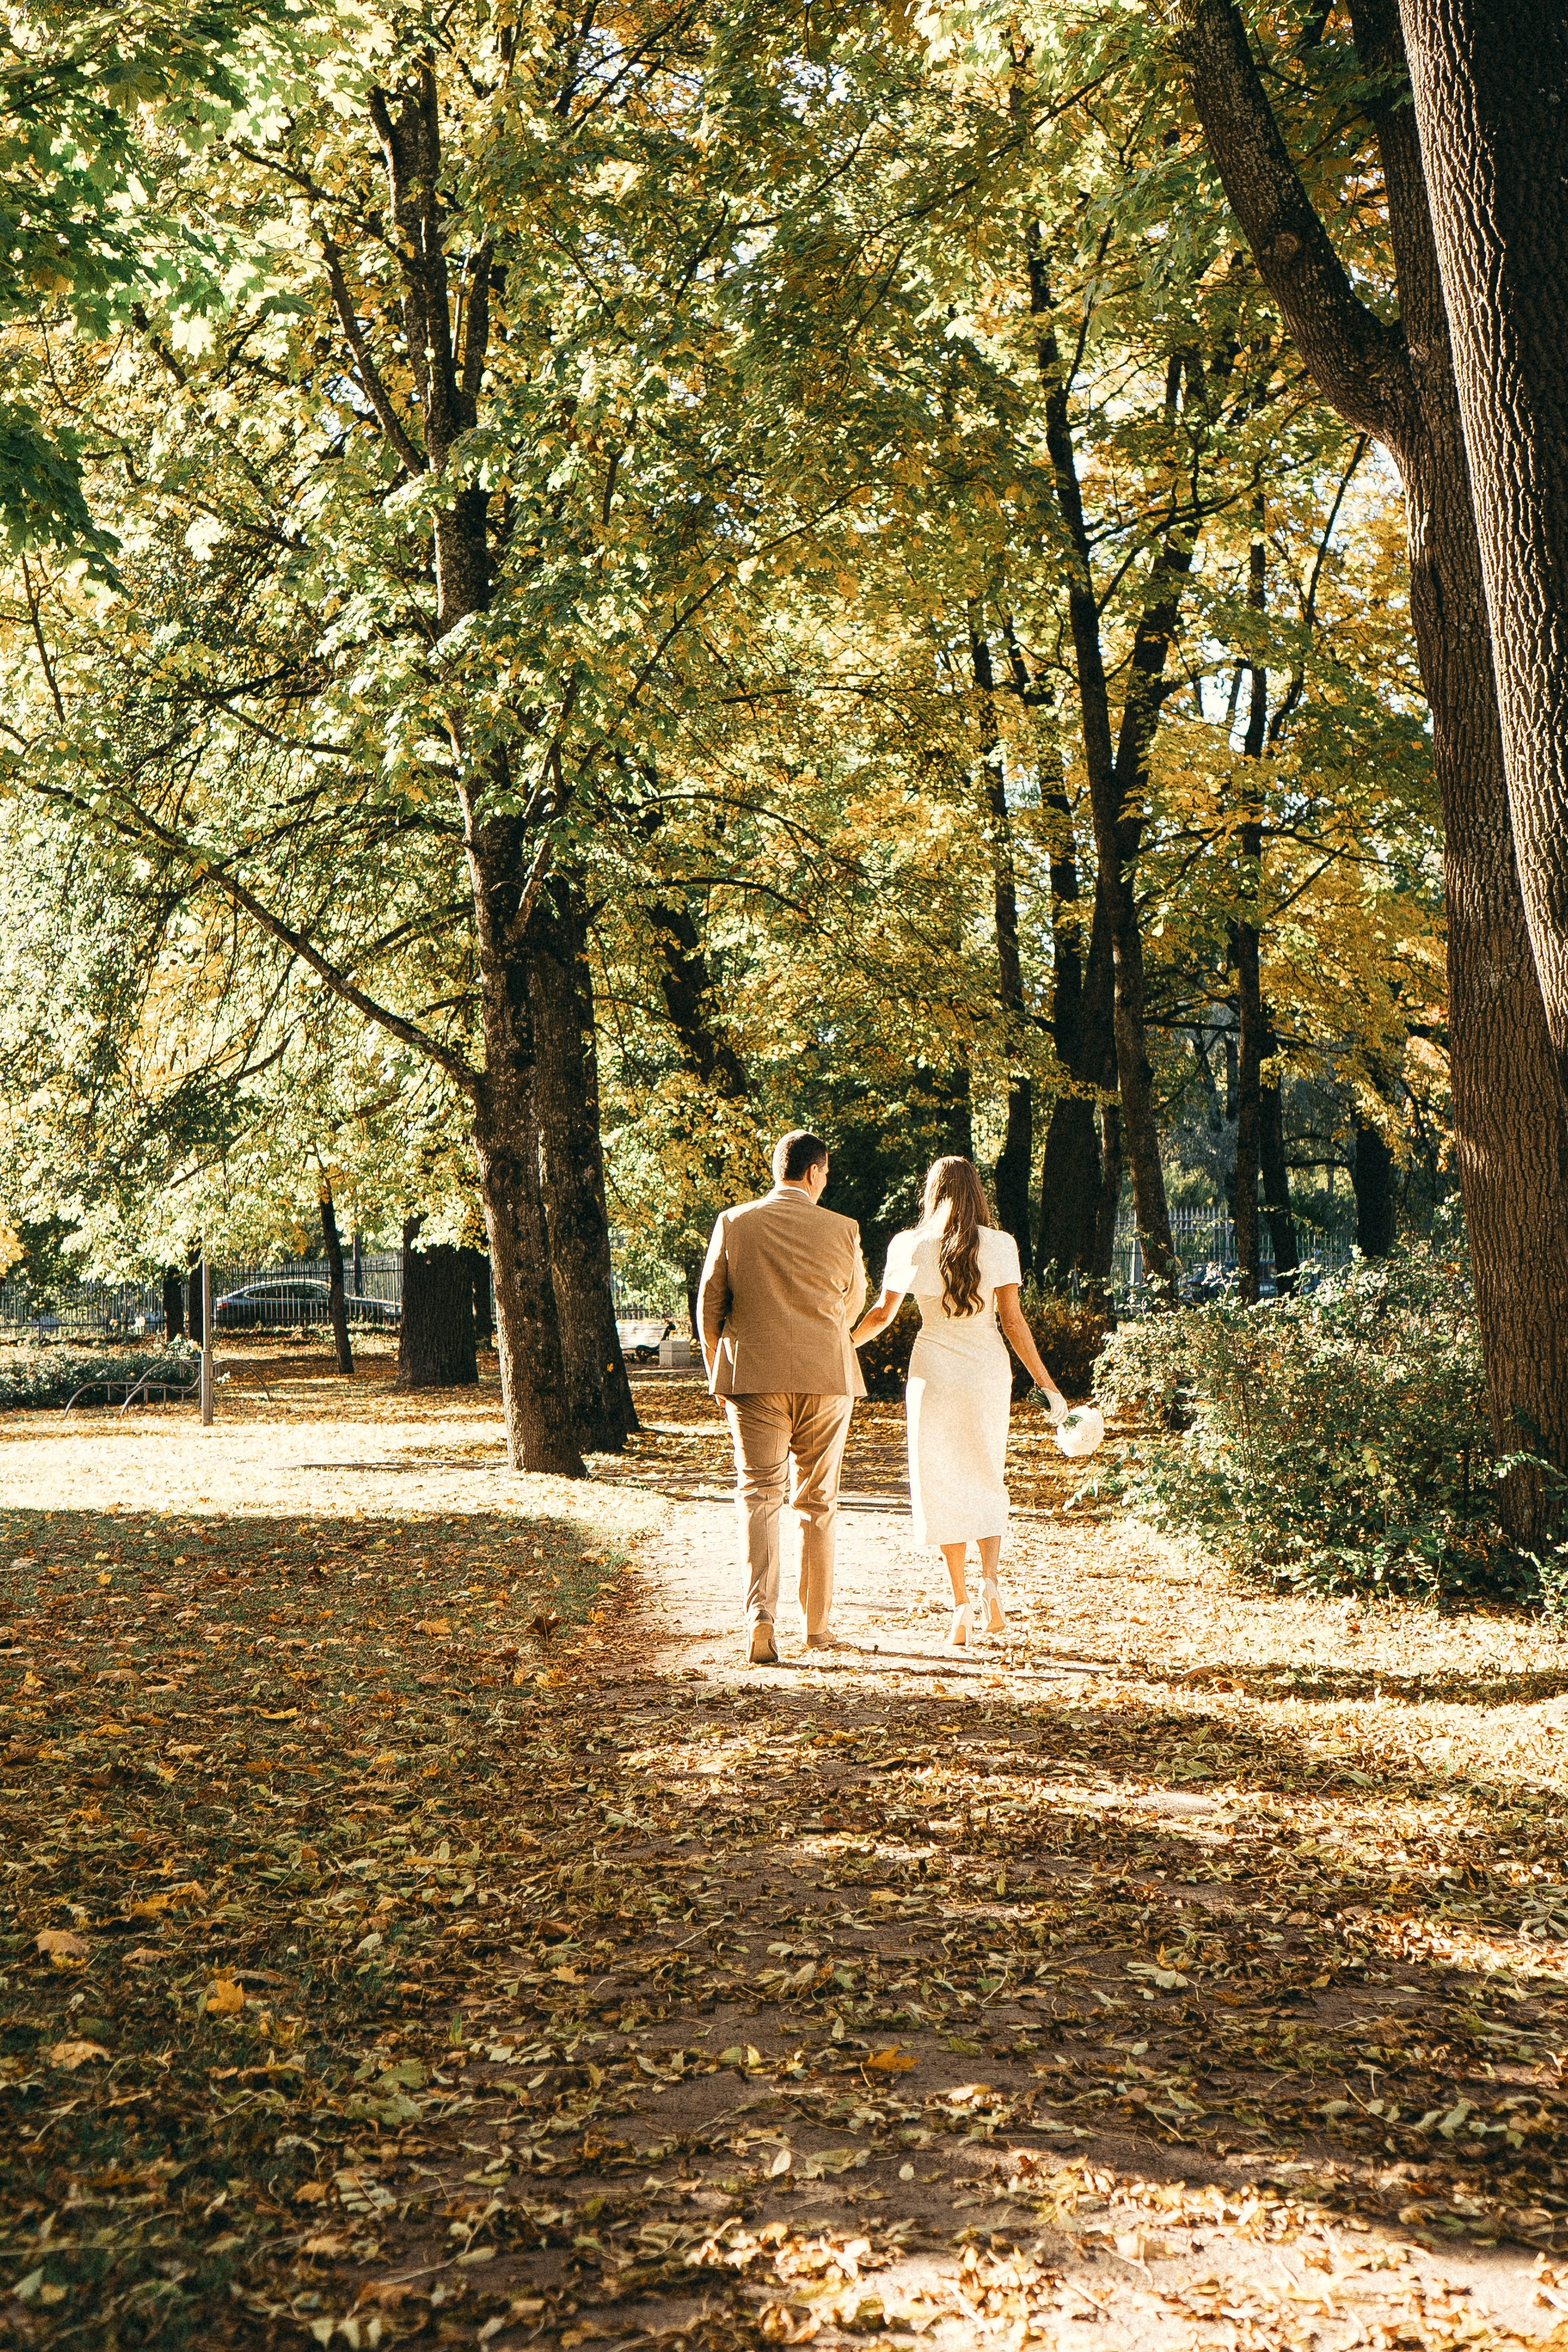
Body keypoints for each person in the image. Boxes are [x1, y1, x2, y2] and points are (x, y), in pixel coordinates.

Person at [853, 1155, 1068, 1646]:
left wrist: (842, 1347)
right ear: (977, 1191)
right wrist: (1048, 1385)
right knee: (986, 1472)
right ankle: (991, 1587)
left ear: (933, 1191)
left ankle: (959, 1606)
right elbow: (1013, 1322)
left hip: (934, 1370)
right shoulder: (1001, 1245)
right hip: (987, 1369)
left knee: (942, 1480)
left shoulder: (908, 1244)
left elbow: (882, 1316)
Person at [697, 1130, 867, 1665]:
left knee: (759, 1497)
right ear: (815, 1172)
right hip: (827, 1379)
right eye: (827, 1174)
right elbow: (853, 1303)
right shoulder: (844, 1229)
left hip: (754, 1376)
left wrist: (717, 1372)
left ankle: (760, 1621)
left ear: (778, 1169)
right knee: (817, 1502)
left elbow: (710, 1304)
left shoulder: (735, 1222)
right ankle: (816, 1628)